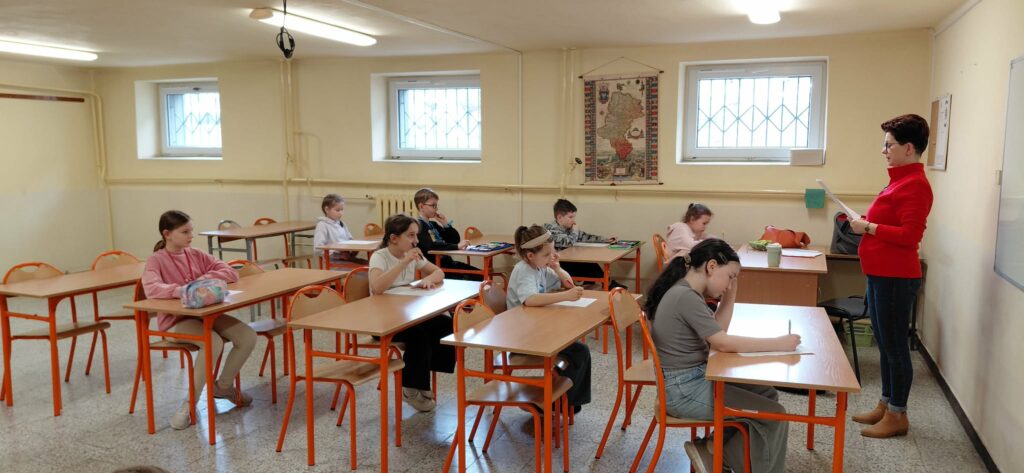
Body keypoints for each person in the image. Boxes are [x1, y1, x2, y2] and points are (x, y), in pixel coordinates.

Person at [646, 239, 799, 473]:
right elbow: (722, 343)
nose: (729, 285)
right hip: (684, 391)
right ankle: (722, 457)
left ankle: (713, 450)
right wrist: (779, 343)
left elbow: (718, 330)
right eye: (730, 277)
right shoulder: (685, 297)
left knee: (766, 393)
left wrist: (730, 293)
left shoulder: (687, 292)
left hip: (691, 380)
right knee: (773, 414)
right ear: (711, 266)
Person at [849, 114, 933, 438]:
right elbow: (892, 222)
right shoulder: (898, 180)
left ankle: (898, 414)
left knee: (895, 347)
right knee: (884, 344)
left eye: (889, 145)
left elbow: (910, 236)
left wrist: (869, 227)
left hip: (895, 278)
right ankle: (886, 404)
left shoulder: (916, 185)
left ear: (909, 148)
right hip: (879, 274)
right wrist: (866, 222)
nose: (884, 151)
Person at [141, 210, 255, 430]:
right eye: (185, 232)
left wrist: (204, 279)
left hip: (205, 313)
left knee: (247, 335)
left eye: (191, 231)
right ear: (167, 234)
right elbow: (152, 289)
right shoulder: (156, 260)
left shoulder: (195, 254)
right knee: (213, 342)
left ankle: (223, 387)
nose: (190, 236)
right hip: (175, 320)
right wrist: (184, 290)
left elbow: (230, 272)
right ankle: (189, 404)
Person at [367, 213, 453, 412]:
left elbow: (439, 272)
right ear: (394, 238)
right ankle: (411, 387)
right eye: (411, 235)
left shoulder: (414, 254)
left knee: (446, 324)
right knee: (419, 335)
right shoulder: (380, 256)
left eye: (416, 235)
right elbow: (377, 287)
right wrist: (403, 263)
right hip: (383, 320)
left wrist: (428, 279)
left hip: (406, 315)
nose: (416, 241)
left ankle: (424, 376)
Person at [505, 224, 591, 413]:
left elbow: (568, 283)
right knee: (578, 351)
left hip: (534, 328)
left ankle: (565, 400)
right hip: (520, 336)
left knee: (576, 348)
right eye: (546, 255)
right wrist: (564, 296)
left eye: (552, 253)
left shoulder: (540, 267)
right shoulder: (524, 270)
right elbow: (530, 299)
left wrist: (557, 268)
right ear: (530, 255)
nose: (550, 257)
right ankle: (562, 401)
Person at [543, 198, 626, 289]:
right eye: (570, 217)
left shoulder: (567, 228)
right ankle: (607, 284)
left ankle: (604, 284)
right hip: (558, 264)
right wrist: (575, 231)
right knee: (589, 266)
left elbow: (584, 236)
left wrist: (604, 240)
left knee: (590, 264)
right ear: (559, 217)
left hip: (568, 261)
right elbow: (568, 242)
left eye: (574, 217)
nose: (573, 220)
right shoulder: (551, 229)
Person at [413, 188, 482, 280]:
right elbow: (431, 245)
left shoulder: (433, 224)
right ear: (421, 206)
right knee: (477, 277)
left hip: (447, 264)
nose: (436, 209)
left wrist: (445, 224)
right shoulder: (418, 226)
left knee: (481, 275)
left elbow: (454, 240)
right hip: (435, 268)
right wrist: (456, 247)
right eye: (433, 206)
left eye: (436, 205)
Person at [313, 193, 367, 265]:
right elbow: (317, 249)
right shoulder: (322, 225)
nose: (341, 213)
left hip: (347, 259)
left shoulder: (341, 223)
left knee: (370, 264)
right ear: (327, 209)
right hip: (334, 262)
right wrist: (338, 255)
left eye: (342, 210)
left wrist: (354, 249)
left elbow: (350, 240)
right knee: (366, 269)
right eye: (337, 210)